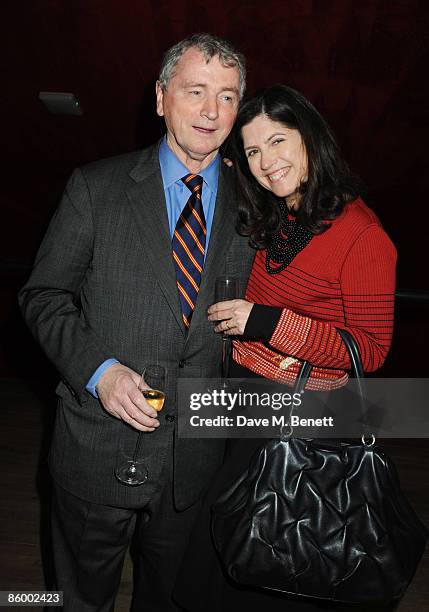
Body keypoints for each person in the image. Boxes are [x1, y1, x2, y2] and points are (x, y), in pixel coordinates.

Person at [18, 33, 255, 612]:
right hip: (97, 449)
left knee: (171, 600)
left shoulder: (256, 204)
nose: (210, 110)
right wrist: (98, 371)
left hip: (195, 460)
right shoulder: (95, 189)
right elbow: (44, 295)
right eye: (195, 91)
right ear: (160, 98)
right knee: (78, 598)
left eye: (226, 96)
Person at [174, 84, 397, 611]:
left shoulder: (362, 234)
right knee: (224, 543)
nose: (266, 161)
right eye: (253, 151)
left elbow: (369, 348)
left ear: (311, 139)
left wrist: (267, 322)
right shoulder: (279, 216)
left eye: (277, 141)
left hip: (305, 413)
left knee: (273, 556)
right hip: (246, 401)